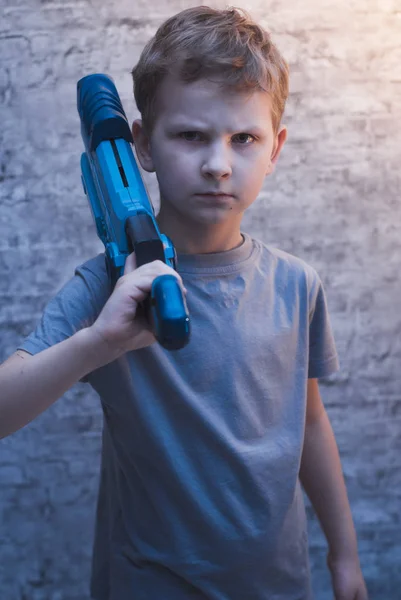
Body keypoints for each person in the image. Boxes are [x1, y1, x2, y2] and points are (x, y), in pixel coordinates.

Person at [0, 6, 368, 600]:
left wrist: (344, 555)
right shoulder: (109, 287)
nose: (218, 164)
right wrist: (99, 343)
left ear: (274, 149)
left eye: (242, 139)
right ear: (141, 143)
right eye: (191, 135)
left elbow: (309, 422)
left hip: (279, 586)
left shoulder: (297, 286)